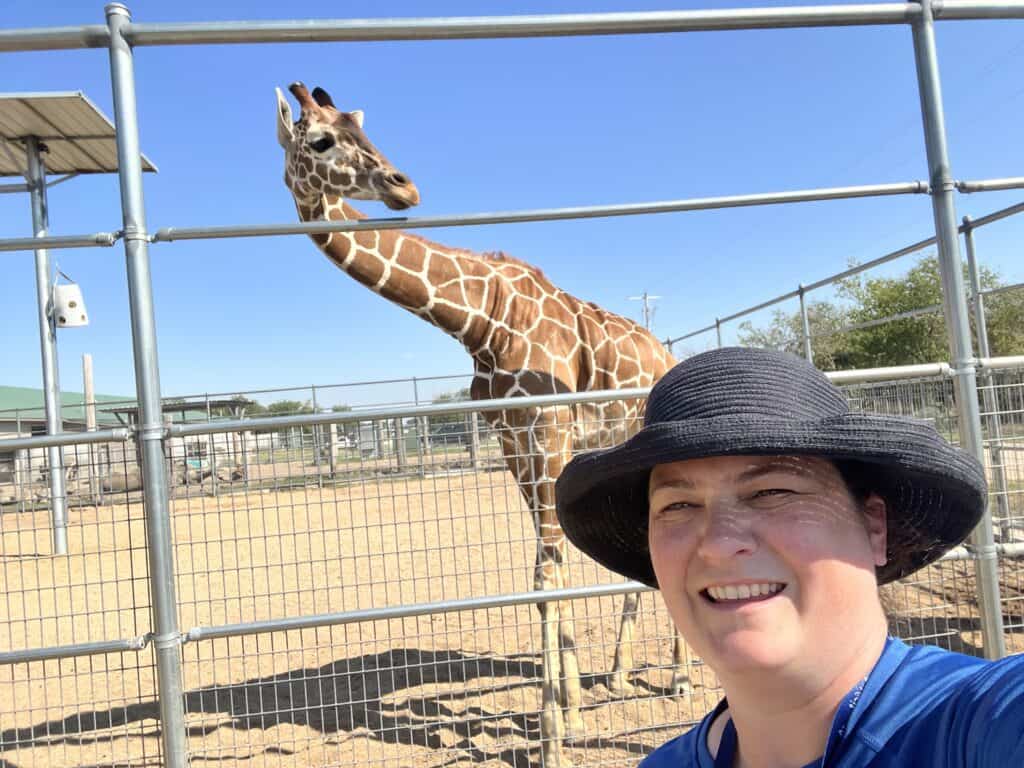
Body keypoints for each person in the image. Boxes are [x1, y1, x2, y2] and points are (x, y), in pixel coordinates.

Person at [555, 346, 1023, 768]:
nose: (718, 542)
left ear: (873, 527)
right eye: (678, 504)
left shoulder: (979, 721)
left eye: (772, 491)